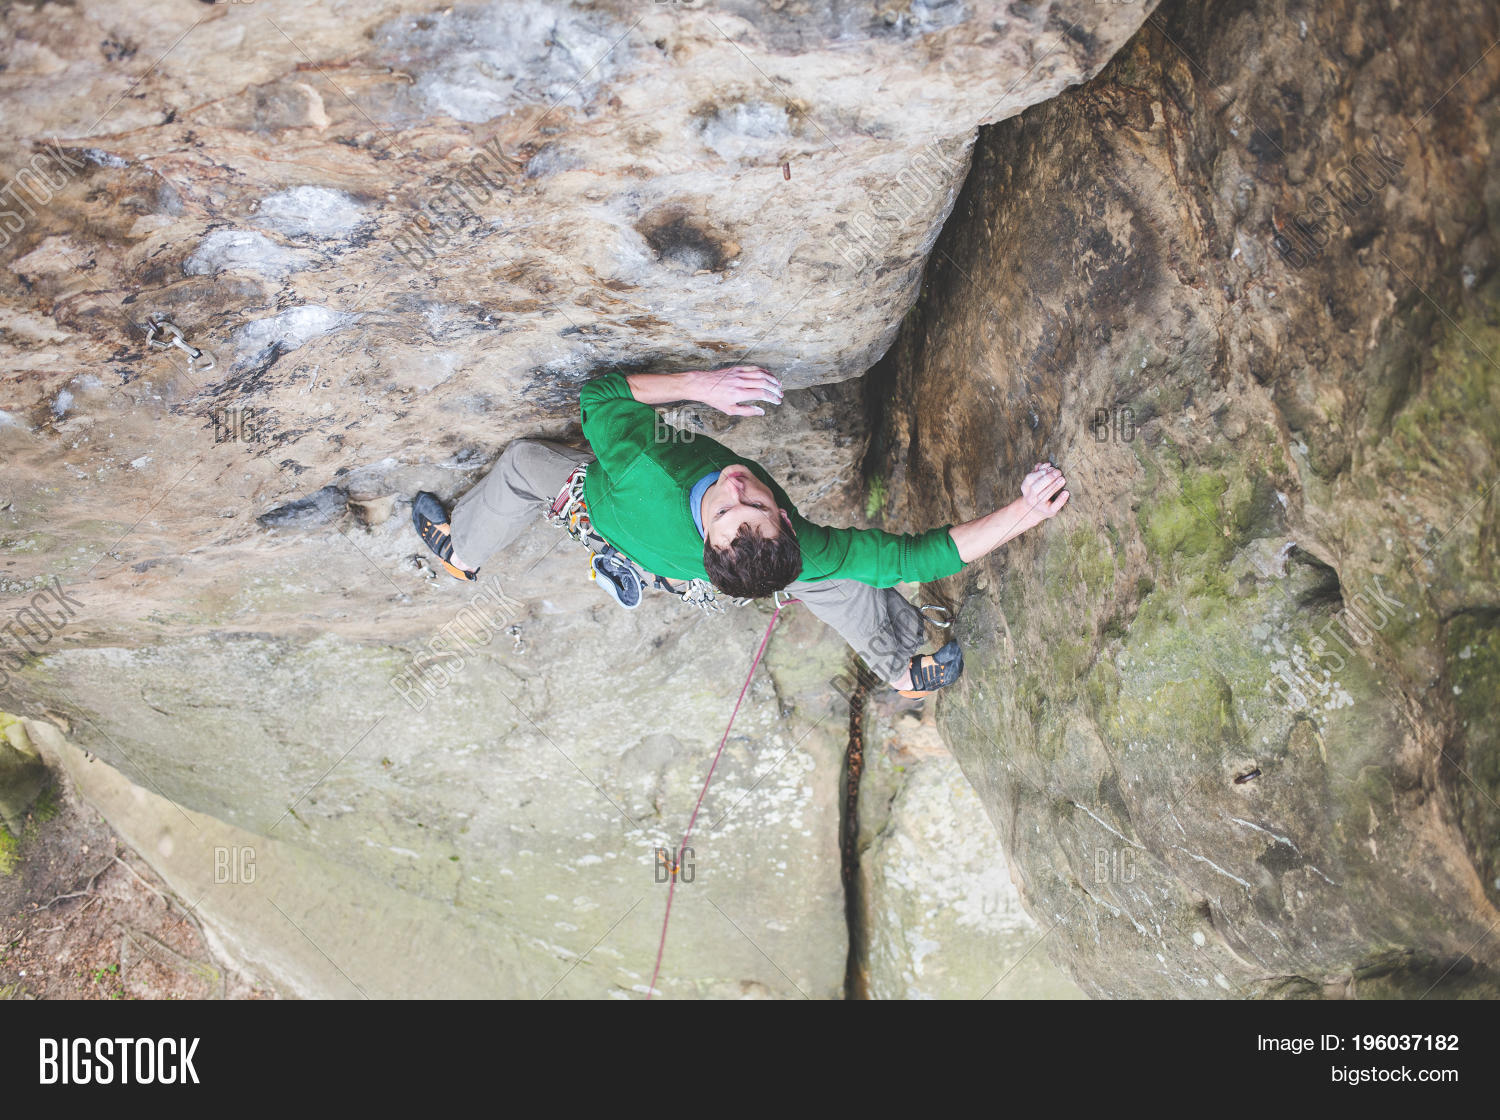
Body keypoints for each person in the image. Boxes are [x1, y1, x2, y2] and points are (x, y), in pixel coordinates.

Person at [412, 365, 1068, 697]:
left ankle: (462, 547)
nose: (734, 486)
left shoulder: (649, 471)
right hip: (650, 543)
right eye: (743, 502)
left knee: (529, 464)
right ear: (781, 517)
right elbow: (908, 558)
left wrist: (702, 388)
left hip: (641, 533)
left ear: (779, 523)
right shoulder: (660, 475)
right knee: (830, 577)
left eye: (736, 507)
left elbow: (600, 396)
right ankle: (900, 664)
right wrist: (1027, 510)